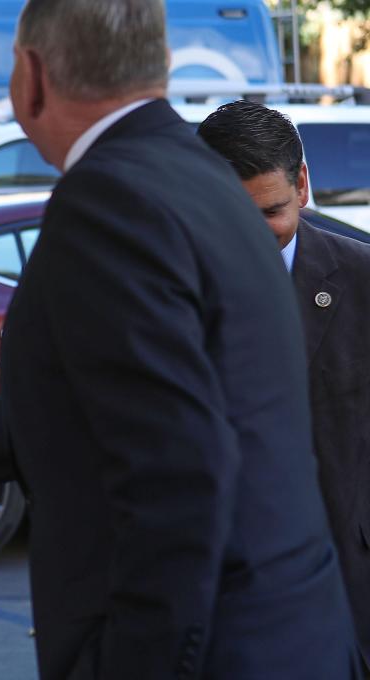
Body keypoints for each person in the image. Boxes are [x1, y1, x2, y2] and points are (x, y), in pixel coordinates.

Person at [0, 0, 363, 677]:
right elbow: (80, 405)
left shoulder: (113, 201)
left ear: (30, 75)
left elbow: (177, 471)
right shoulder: (193, 181)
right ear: (161, 65)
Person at [198, 99, 370, 673]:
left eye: (270, 212)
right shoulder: (161, 290)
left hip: (346, 594)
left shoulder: (362, 283)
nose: (253, 237)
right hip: (210, 599)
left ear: (301, 183)